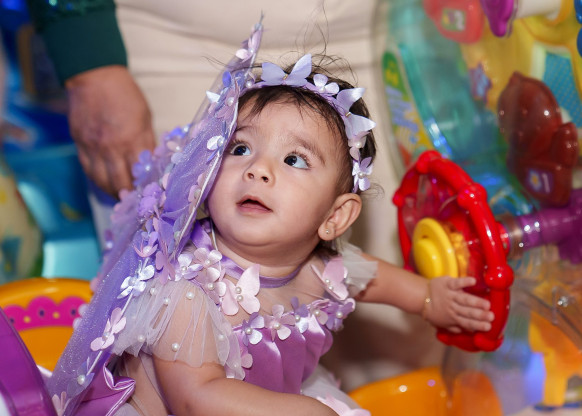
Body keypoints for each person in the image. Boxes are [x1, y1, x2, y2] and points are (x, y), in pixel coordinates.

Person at [46, 23, 493, 416]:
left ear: (335, 216)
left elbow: (373, 278)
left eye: (294, 159)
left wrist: (428, 298)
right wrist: (308, 411)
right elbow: (197, 400)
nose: (258, 169)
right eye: (240, 148)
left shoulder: (322, 269)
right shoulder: (185, 293)